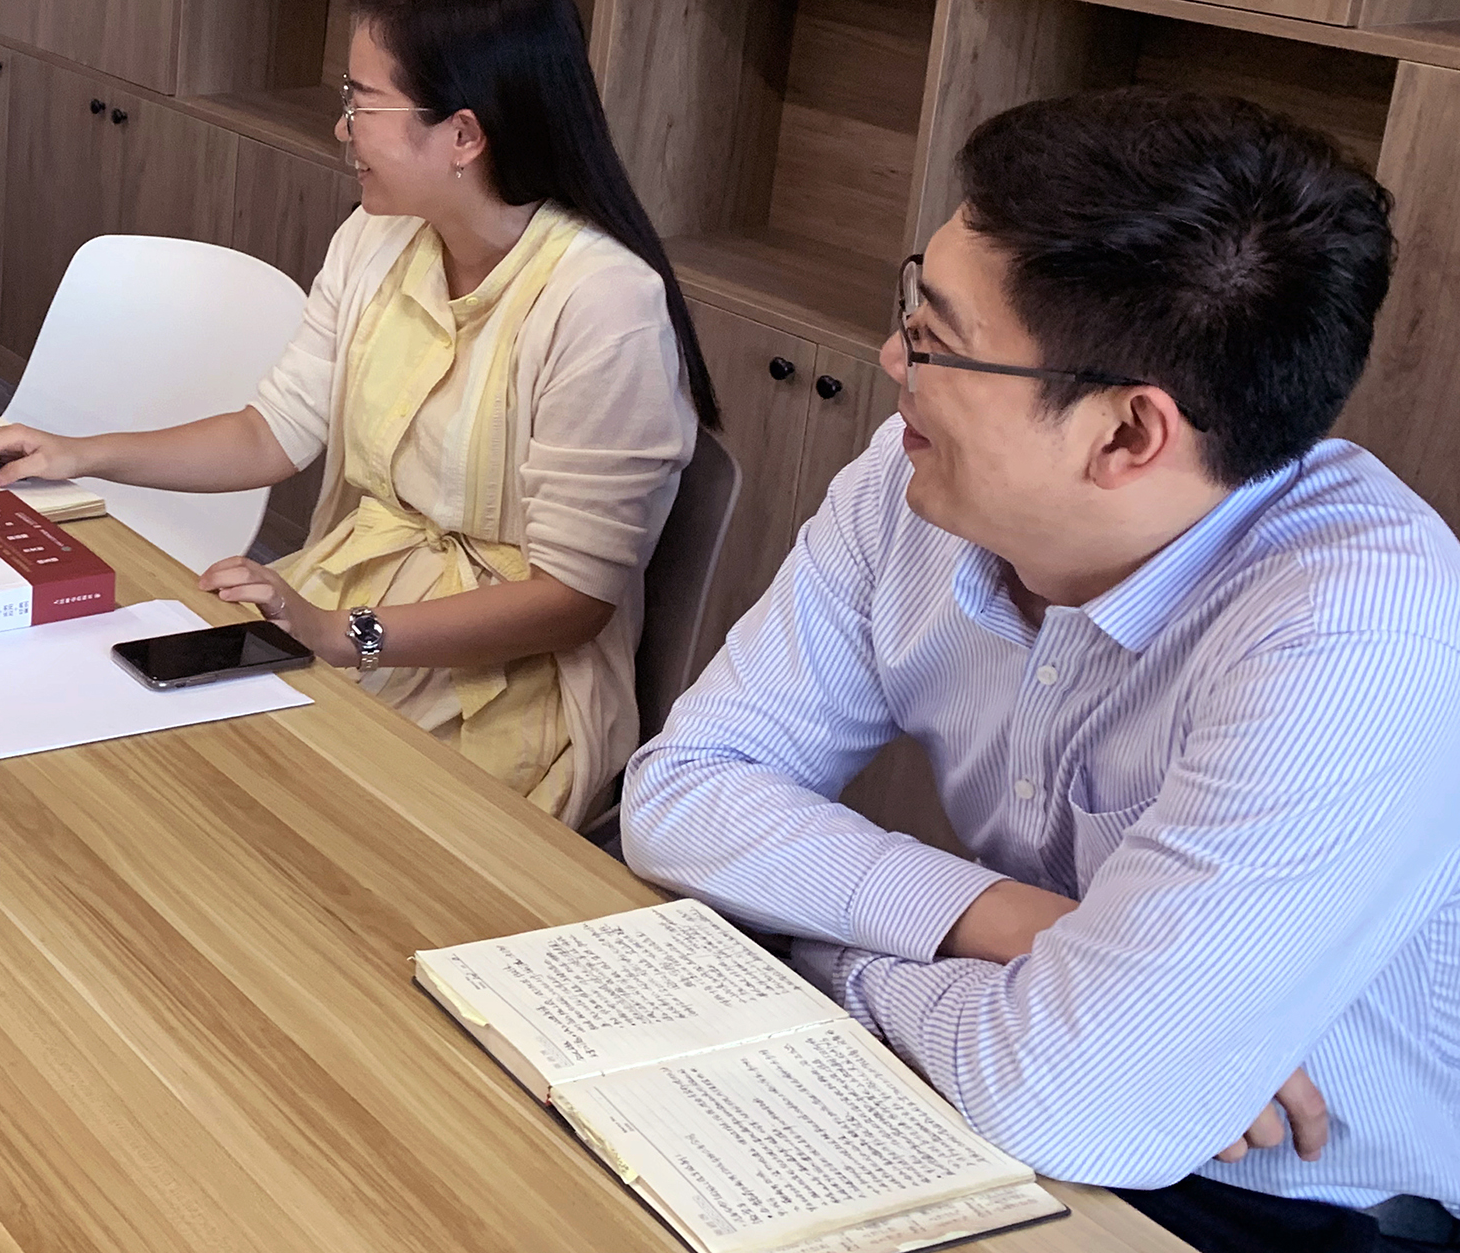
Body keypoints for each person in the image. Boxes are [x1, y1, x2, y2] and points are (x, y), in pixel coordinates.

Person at [622, 89, 1459, 1251]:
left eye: (937, 339)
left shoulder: (1360, 634)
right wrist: (1013, 923)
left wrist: (819, 949)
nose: (892, 358)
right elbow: (680, 791)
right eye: (911, 306)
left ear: (1127, 433)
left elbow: (1072, 1097)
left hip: (1281, 1191)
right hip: (990, 1081)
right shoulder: (911, 484)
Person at [0, 0, 714, 824]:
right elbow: (269, 433)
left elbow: (570, 604)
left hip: (507, 692)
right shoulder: (377, 237)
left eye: (363, 102)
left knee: (237, 816)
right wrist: (77, 453)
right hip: (344, 606)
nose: (342, 128)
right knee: (136, 767)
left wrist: (340, 634)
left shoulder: (604, 303)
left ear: (463, 135)